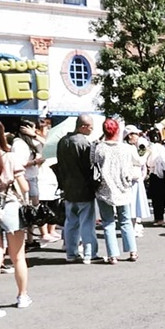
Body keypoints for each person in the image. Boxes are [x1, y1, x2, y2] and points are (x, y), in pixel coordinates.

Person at [0, 117, 32, 318]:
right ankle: (22, 296)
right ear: (0, 135)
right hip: (10, 208)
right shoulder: (10, 157)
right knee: (18, 257)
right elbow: (24, 186)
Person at [91, 118, 138, 264]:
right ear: (118, 130)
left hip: (104, 188)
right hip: (123, 188)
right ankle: (132, 251)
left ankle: (112, 255)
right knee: (125, 220)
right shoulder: (125, 148)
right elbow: (130, 168)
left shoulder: (98, 148)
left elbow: (92, 163)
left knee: (108, 222)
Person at [56, 113, 100, 264]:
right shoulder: (83, 143)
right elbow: (89, 167)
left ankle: (71, 253)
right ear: (84, 126)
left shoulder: (63, 141)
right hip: (83, 188)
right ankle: (90, 253)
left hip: (68, 187)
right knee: (87, 222)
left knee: (70, 222)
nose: (92, 130)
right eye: (91, 127)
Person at [11, 119, 45, 249]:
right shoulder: (19, 144)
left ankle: (30, 240)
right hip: (25, 179)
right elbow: (19, 164)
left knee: (31, 210)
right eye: (32, 128)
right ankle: (24, 241)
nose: (34, 130)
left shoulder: (29, 142)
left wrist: (35, 135)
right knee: (28, 210)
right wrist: (35, 162)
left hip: (32, 177)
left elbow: (47, 145)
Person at [123, 124, 150, 237]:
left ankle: (132, 228)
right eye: (136, 134)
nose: (138, 136)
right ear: (129, 135)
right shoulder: (130, 148)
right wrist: (146, 154)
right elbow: (139, 161)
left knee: (131, 205)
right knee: (133, 205)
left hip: (129, 179)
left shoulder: (124, 147)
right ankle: (132, 228)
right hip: (133, 179)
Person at [144, 127, 165, 226]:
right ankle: (160, 217)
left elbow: (149, 161)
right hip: (163, 174)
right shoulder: (162, 148)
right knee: (161, 196)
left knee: (155, 197)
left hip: (154, 173)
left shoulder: (150, 147)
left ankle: (158, 218)